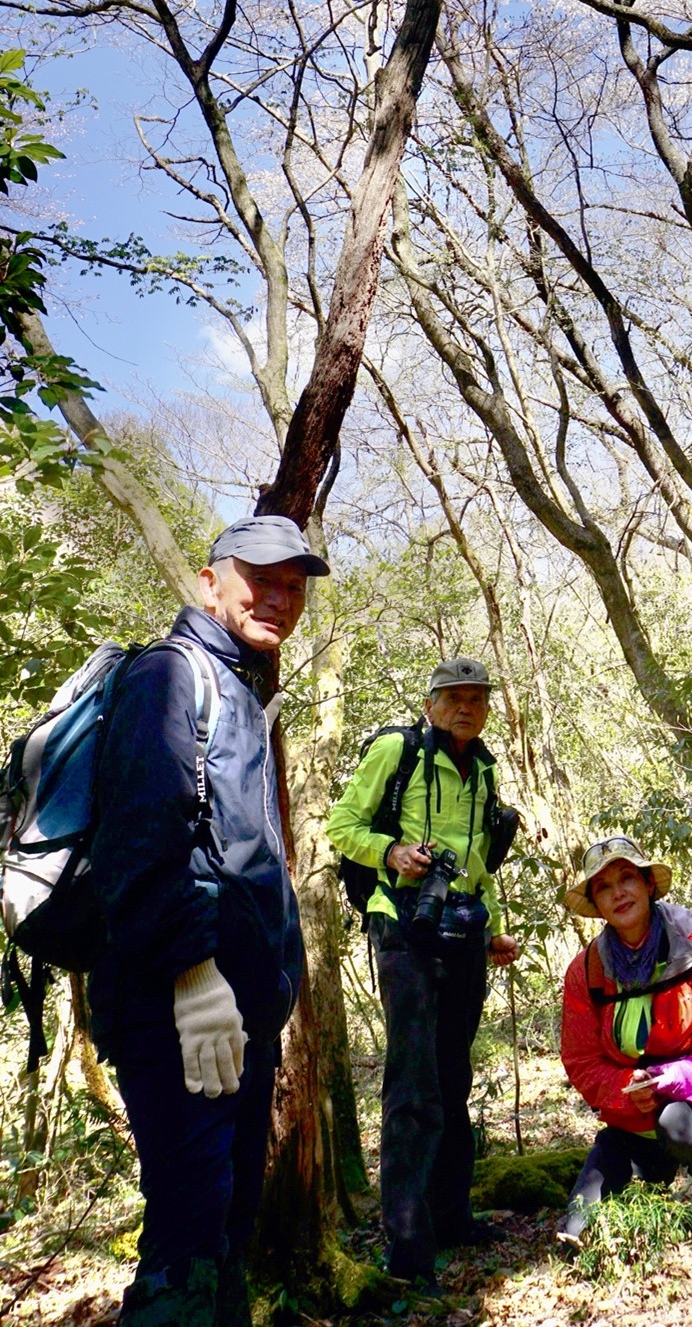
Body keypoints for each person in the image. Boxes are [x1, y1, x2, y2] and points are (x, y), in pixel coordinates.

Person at [88, 514, 327, 1327]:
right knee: (186, 1247)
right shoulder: (170, 674)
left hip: (234, 1022)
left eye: (294, 586)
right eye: (259, 578)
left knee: (224, 1232)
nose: (279, 598)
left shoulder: (238, 685)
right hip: (175, 1012)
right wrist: (194, 976)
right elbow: (137, 846)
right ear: (210, 581)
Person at [326, 656, 519, 1288]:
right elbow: (341, 826)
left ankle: (451, 1216)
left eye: (477, 699)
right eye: (454, 697)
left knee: (453, 1073)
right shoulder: (397, 750)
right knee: (412, 1083)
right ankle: (408, 1250)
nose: (467, 707)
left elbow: (478, 864)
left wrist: (490, 930)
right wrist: (392, 852)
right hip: (401, 925)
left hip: (462, 933)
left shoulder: (484, 770)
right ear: (431, 704)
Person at [556, 836, 692, 1248]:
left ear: (648, 884)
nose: (619, 893)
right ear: (597, 905)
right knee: (576, 1230)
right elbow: (579, 1060)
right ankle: (653, 1174)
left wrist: (688, 1073)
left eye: (627, 878)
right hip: (631, 1118)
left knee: (677, 1124)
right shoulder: (586, 971)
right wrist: (625, 1091)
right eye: (604, 887)